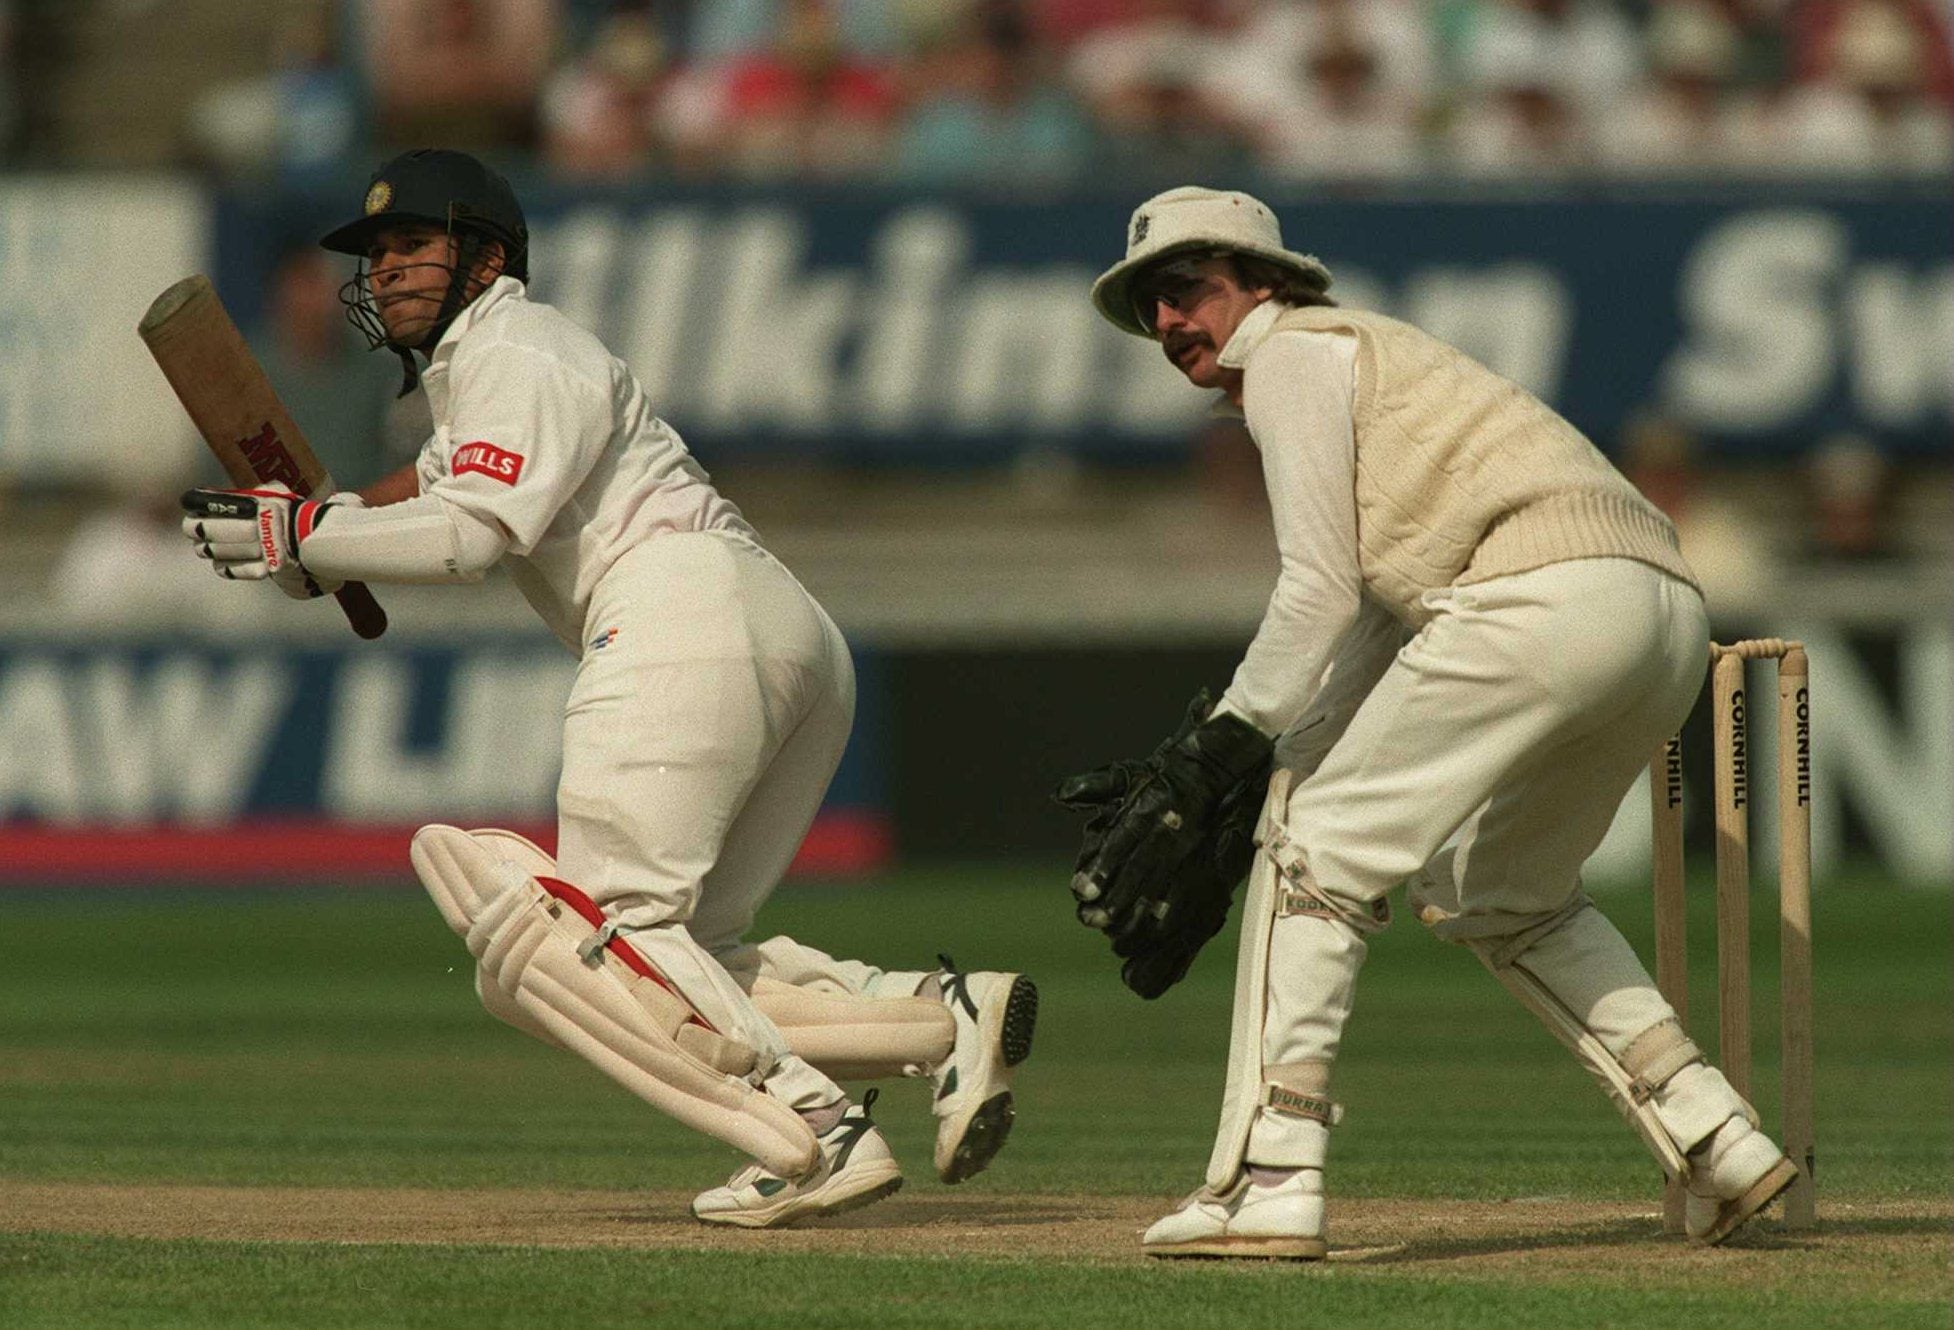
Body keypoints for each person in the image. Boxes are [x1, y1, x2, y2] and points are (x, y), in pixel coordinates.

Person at [178, 148, 1037, 1227]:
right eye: (375, 254)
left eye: (410, 246)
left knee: (606, 928)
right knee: (687, 953)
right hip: (778, 629)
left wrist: (304, 531)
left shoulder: (521, 348)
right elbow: (416, 500)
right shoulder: (492, 378)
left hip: (679, 615)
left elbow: (469, 538)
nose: (385, 270)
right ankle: (936, 1014)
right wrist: (321, 535)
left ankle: (815, 1130)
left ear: (485, 258)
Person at [1056, 186, 1797, 1259]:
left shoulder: (1295, 355)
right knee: (1498, 891)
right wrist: (1276, 757)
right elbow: (1370, 609)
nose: (1170, 323)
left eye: (1188, 292)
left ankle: (1270, 1176)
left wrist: (1212, 749)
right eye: (1150, 308)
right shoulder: (1369, 358)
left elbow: (1314, 587)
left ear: (1261, 285)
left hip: (1536, 596)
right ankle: (1713, 1132)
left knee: (1315, 854)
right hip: (1660, 610)